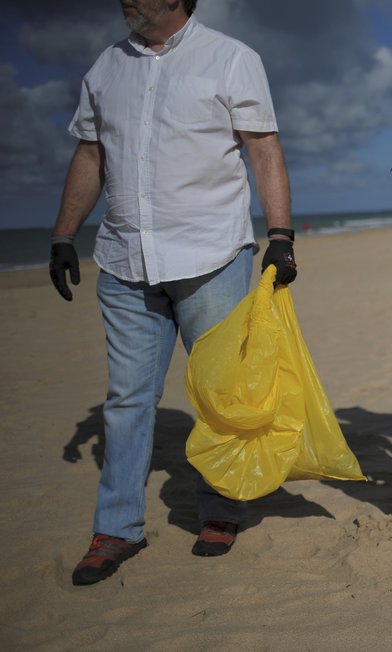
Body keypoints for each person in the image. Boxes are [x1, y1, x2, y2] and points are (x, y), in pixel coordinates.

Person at [48, 0, 297, 586]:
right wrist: (63, 234)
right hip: (124, 259)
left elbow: (263, 149)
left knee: (218, 394)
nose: (126, 1)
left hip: (212, 254)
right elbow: (91, 154)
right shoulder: (105, 67)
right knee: (127, 398)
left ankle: (218, 511)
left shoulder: (232, 58)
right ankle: (116, 529)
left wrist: (281, 235)